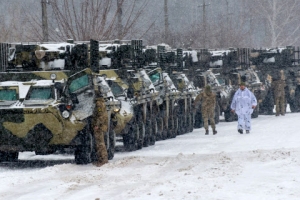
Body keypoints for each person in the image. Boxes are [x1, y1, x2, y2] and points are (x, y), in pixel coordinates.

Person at [92, 97, 109, 167]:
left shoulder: (98, 103)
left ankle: (103, 160)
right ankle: (102, 159)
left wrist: (97, 125)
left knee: (100, 143)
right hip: (101, 125)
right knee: (100, 143)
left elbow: (100, 115)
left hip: (100, 126)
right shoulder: (102, 102)